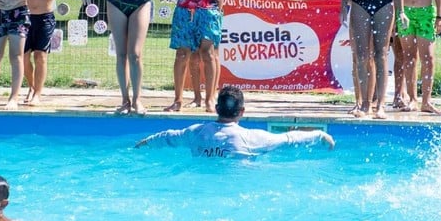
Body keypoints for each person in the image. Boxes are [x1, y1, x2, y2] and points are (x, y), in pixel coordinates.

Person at [135, 86, 335, 157]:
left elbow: (167, 136)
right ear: (242, 112)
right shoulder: (253, 138)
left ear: (216, 108)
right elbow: (290, 138)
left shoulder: (195, 132)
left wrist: (142, 144)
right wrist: (320, 134)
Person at [22, 0, 63, 106]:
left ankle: (38, 93)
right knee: (23, 58)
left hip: (45, 18)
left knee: (40, 56)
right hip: (26, 17)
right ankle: (32, 86)